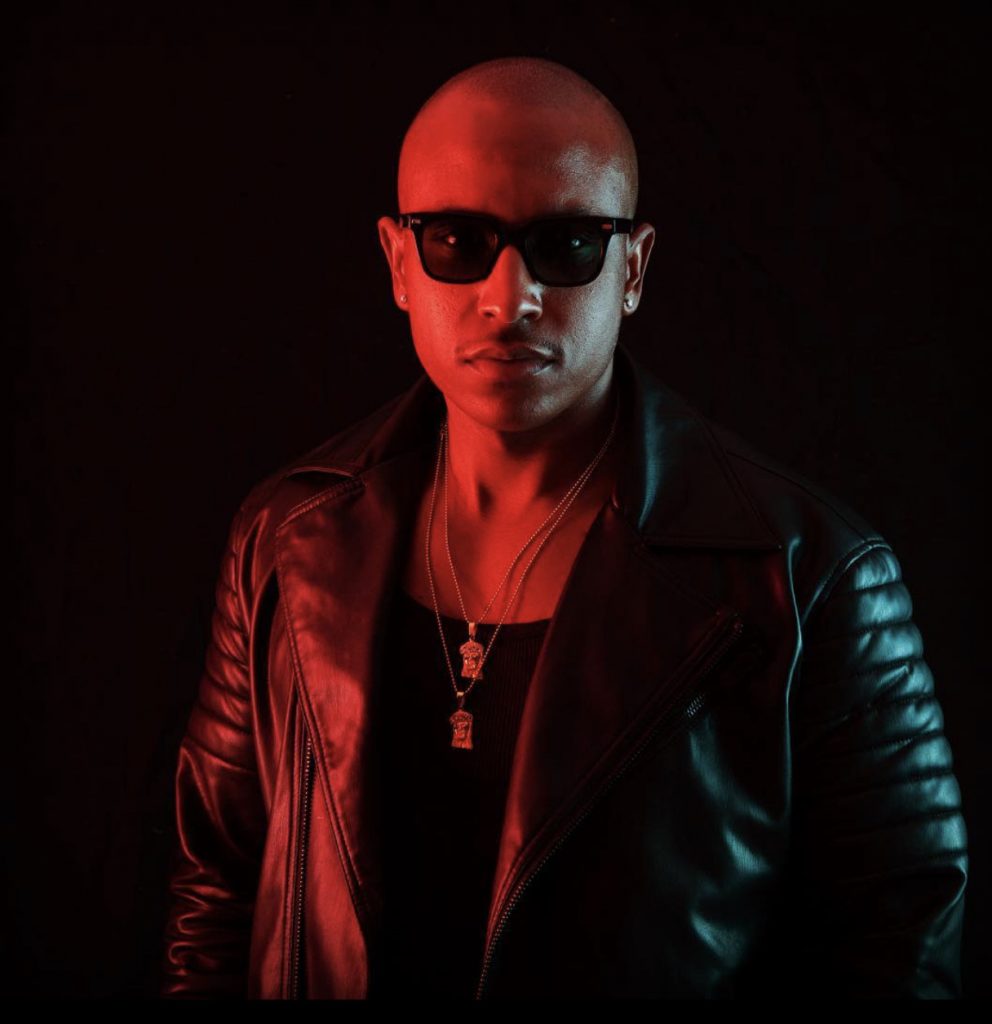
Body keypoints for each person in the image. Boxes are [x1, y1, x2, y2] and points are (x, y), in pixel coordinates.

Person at [160, 57, 968, 999]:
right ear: (397, 264)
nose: (509, 299)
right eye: (458, 242)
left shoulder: (812, 574)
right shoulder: (285, 538)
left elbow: (900, 950)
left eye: (568, 245)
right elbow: (216, 891)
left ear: (634, 269)